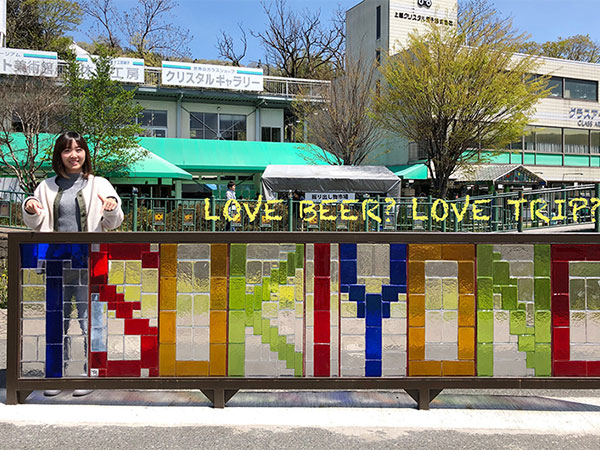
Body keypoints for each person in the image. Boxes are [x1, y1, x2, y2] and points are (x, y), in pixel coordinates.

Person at [23, 131, 124, 397]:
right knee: (56, 320)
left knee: (92, 319)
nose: (74, 155)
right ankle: (56, 375)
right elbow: (33, 222)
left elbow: (113, 222)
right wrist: (29, 205)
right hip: (56, 263)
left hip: (90, 263)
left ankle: (91, 373)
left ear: (85, 153)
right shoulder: (45, 186)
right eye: (67, 150)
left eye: (79, 149)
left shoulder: (99, 184)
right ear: (60, 155)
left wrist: (112, 207)